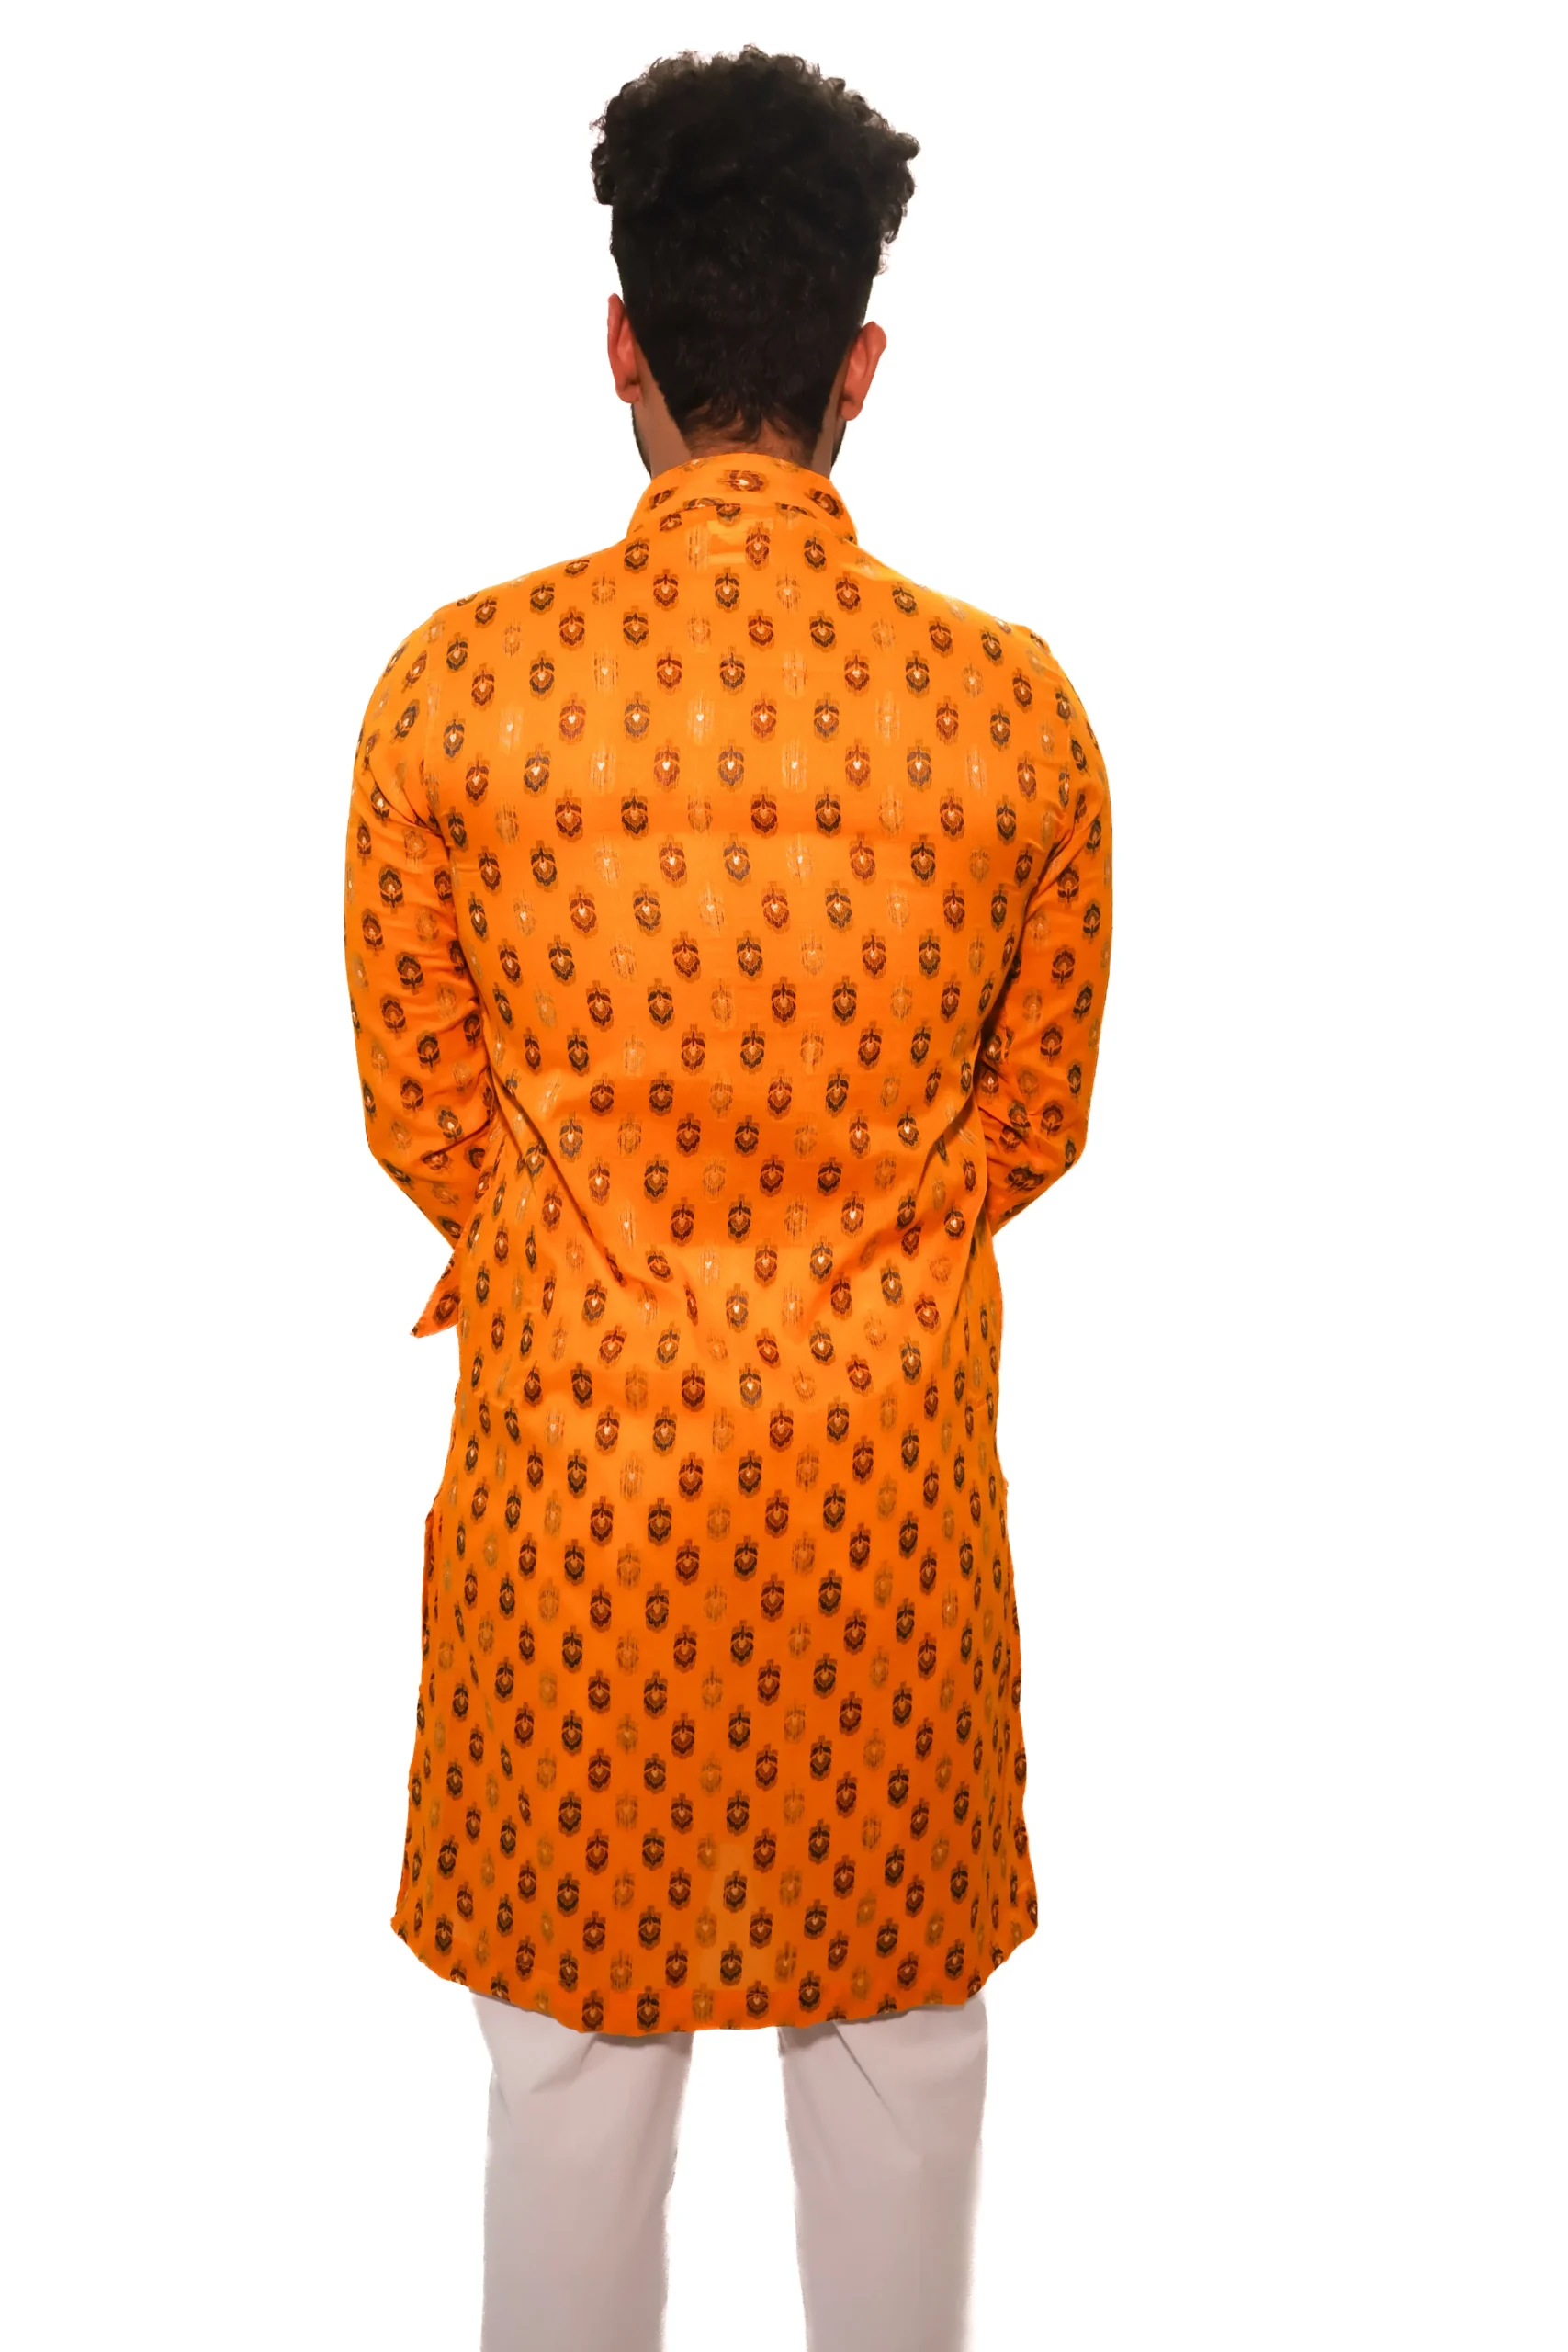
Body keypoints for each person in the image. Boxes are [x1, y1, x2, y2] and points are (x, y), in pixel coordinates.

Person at [342, 42, 1114, 2352]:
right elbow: (1035, 1118)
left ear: (622, 344)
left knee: (571, 2084)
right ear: (860, 363)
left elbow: (423, 1115)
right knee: (898, 2062)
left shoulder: (456, 694)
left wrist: (603, 1268)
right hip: (884, 1519)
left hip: (573, 1520)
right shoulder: (1012, 712)